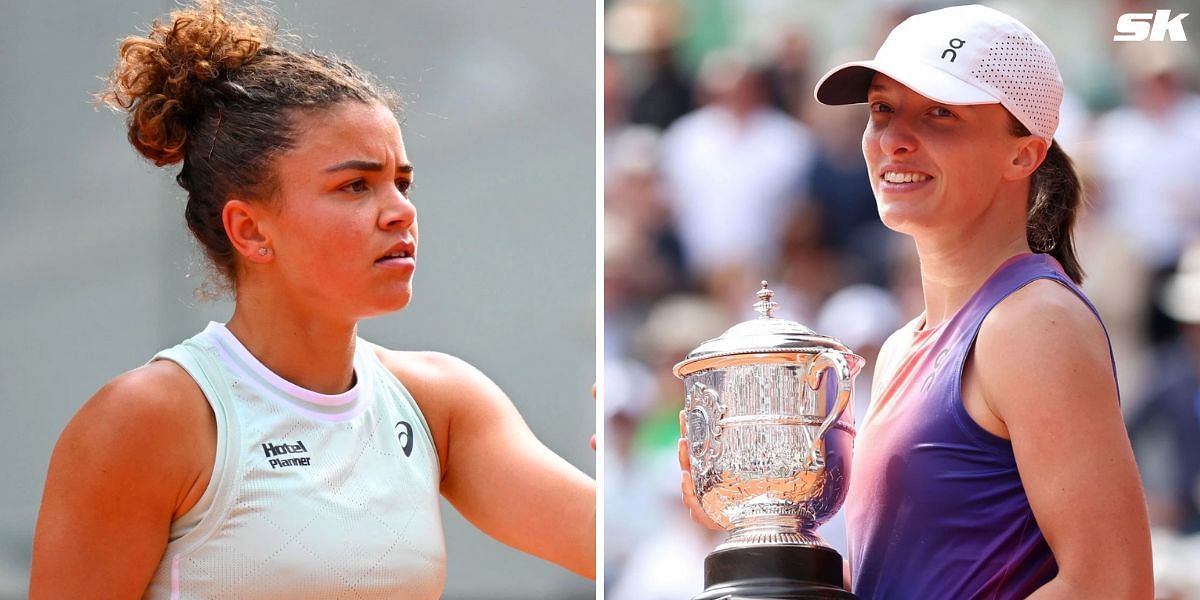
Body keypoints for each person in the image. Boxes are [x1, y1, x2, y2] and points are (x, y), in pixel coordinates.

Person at [29, 2, 595, 598]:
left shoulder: (441, 403)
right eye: (355, 185)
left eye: (400, 182)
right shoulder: (148, 417)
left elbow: (592, 536)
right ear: (250, 230)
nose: (400, 210)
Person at [680, 5, 1152, 598]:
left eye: (939, 114)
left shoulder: (1034, 323)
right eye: (882, 110)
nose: (896, 140)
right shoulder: (906, 343)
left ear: (1023, 154)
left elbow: (1110, 587)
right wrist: (758, 539)